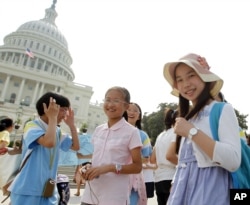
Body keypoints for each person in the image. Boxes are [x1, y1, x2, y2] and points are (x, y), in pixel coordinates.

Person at [163, 53, 241, 205]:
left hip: (211, 190)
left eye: (191, 75)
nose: (185, 84)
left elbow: (233, 160)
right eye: (179, 80)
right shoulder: (187, 117)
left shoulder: (222, 109)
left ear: (204, 77)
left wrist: (192, 132)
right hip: (182, 190)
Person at [8, 92, 80, 205]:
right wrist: (52, 118)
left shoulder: (57, 130)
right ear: (47, 108)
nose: (66, 113)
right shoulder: (32, 126)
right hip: (27, 189)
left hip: (48, 190)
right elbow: (49, 142)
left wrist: (72, 125)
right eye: (63, 109)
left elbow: (75, 146)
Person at [80, 86, 143, 205]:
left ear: (126, 106)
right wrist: (87, 167)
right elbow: (96, 158)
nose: (110, 104)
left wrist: (109, 168)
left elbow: (137, 166)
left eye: (116, 101)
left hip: (114, 197)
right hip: (90, 195)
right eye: (108, 100)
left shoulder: (132, 132)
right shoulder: (99, 129)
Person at [150, 108, 178, 205]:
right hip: (172, 176)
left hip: (159, 179)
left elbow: (152, 159)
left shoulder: (160, 135)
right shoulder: (176, 133)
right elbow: (170, 156)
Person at [127, 102, 152, 205]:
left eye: (135, 110)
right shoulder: (113, 132)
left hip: (134, 179)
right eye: (129, 109)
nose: (131, 112)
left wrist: (128, 161)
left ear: (139, 116)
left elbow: (146, 158)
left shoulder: (143, 135)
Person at [73, 127, 93, 196]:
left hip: (86, 163)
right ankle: (79, 192)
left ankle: (79, 192)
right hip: (87, 162)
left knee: (80, 176)